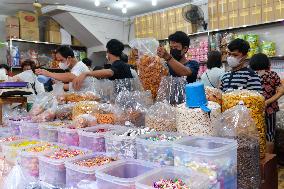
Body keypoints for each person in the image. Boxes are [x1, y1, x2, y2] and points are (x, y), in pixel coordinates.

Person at [249, 53, 284, 144]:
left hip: (253, 110)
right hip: (270, 109)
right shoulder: (272, 75)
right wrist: (268, 101)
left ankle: (258, 156)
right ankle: (269, 156)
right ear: (267, 63)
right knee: (269, 134)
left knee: (254, 134)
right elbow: (281, 91)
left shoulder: (250, 75)